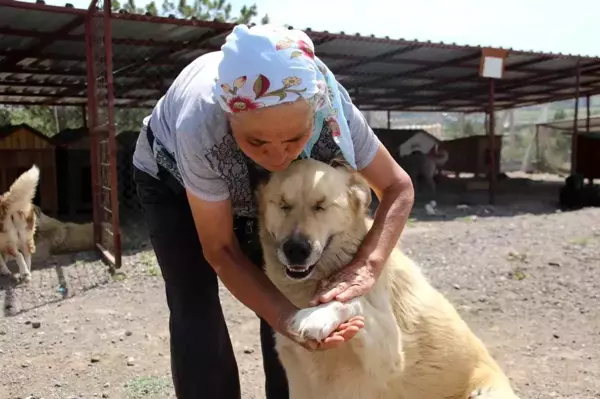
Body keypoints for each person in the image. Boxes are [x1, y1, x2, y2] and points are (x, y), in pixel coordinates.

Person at [132, 23, 415, 399]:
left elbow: (397, 187)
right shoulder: (199, 127)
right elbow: (221, 251)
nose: (279, 157)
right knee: (194, 304)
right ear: (229, 118)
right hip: (171, 179)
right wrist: (287, 320)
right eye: (257, 140)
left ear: (315, 117)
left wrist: (368, 264)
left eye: (295, 140)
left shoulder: (334, 111)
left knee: (293, 291)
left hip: (274, 195)